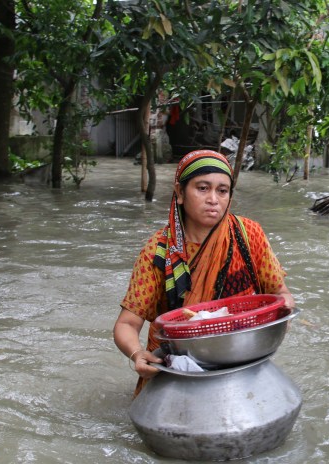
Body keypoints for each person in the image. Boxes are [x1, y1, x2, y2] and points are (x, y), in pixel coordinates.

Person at [113, 149, 295, 395]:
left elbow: (280, 294)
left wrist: (279, 320)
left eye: (222, 191)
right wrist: (137, 355)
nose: (213, 199)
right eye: (202, 188)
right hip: (175, 370)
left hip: (241, 363)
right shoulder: (159, 252)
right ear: (179, 193)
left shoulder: (249, 235)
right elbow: (126, 323)